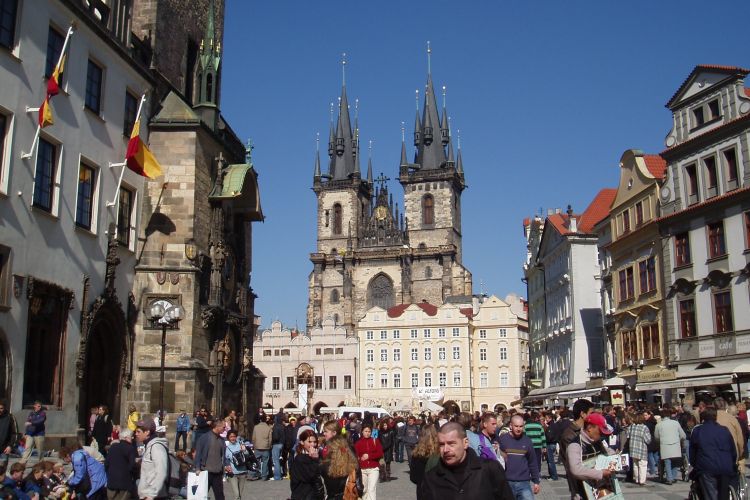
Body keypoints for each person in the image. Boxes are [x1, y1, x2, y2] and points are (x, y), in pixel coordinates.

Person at [418, 422, 514, 499]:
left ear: (465, 443)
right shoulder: (431, 478)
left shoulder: (489, 469)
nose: (446, 450)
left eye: (451, 444)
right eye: (442, 444)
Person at [690, 406, 737, 500]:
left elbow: (692, 453)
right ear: (715, 417)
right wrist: (732, 464)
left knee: (710, 495)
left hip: (706, 467)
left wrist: (695, 465)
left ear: (702, 418)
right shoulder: (724, 430)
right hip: (725, 466)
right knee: (724, 495)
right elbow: (733, 451)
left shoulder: (698, 431)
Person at [565, 413, 615, 500]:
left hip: (601, 492)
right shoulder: (575, 445)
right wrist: (600, 473)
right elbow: (575, 470)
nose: (601, 435)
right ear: (589, 428)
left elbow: (608, 452)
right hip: (582, 495)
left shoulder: (597, 442)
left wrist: (616, 458)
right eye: (600, 431)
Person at [498, 415, 540, 500]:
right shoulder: (503, 439)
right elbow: (498, 459)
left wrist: (536, 481)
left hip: (524, 482)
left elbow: (532, 462)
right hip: (507, 482)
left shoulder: (527, 441)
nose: (518, 429)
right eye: (516, 426)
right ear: (510, 426)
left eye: (521, 426)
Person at [559, 399, 594, 495]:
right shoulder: (569, 435)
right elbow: (573, 463)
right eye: (591, 413)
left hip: (591, 477)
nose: (593, 416)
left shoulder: (588, 430)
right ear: (583, 414)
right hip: (579, 482)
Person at [135, 417, 169, 500]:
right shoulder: (149, 446)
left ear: (147, 432)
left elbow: (161, 472)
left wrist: (151, 495)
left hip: (154, 496)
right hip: (147, 495)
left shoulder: (156, 447)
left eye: (138, 431)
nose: (136, 434)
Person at [195, 419, 228, 500]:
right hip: (206, 472)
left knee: (220, 496)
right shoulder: (205, 437)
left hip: (218, 472)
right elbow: (198, 453)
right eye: (223, 427)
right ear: (217, 426)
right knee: (202, 495)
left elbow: (224, 455)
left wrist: (226, 465)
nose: (225, 429)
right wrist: (197, 468)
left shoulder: (222, 440)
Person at [321, 435, 361, 500]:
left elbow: (318, 485)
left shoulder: (324, 465)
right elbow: (359, 487)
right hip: (348, 497)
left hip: (331, 497)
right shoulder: (353, 464)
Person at [290, 429, 324, 500]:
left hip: (314, 494)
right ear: (302, 442)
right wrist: (315, 460)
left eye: (315, 442)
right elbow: (310, 476)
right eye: (309, 442)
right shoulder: (300, 459)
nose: (313, 444)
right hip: (303, 495)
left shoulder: (316, 455)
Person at [654, 408, 686, 484]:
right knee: (674, 461)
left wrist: (660, 441)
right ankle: (674, 477)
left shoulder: (659, 425)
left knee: (667, 462)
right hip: (675, 445)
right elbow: (683, 435)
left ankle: (669, 478)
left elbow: (656, 437)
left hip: (665, 445)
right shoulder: (676, 423)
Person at [105, 427, 138, 500]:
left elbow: (106, 464)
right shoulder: (130, 448)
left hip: (112, 482)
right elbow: (132, 466)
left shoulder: (113, 447)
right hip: (125, 483)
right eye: (131, 436)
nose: (133, 438)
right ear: (126, 438)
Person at [408, 424, 440, 499]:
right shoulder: (439, 453)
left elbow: (413, 477)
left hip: (422, 491)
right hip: (437, 491)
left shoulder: (416, 454)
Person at [354, 424, 383, 500]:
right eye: (366, 431)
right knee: (364, 489)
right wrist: (359, 459)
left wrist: (369, 456)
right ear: (362, 432)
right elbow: (355, 456)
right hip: (362, 469)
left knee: (372, 489)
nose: (367, 433)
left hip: (374, 468)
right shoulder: (358, 443)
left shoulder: (375, 441)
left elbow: (380, 453)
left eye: (369, 431)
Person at [625, 412, 651, 485]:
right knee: (642, 464)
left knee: (635, 464)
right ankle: (642, 481)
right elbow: (647, 440)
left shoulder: (632, 426)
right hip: (641, 448)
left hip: (633, 448)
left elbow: (628, 436)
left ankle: (637, 479)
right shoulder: (644, 427)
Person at [20, 401, 45, 465]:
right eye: (38, 406)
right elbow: (28, 423)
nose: (39, 407)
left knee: (40, 451)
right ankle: (23, 462)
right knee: (27, 448)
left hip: (39, 434)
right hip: (30, 434)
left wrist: (31, 423)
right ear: (34, 406)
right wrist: (26, 433)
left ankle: (41, 463)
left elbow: (40, 421)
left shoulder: (42, 413)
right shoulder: (31, 413)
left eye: (40, 406)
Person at [224, 430, 247, 500]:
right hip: (233, 473)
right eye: (231, 437)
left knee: (240, 494)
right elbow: (225, 459)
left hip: (243, 472)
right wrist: (227, 467)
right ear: (228, 438)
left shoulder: (241, 444)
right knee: (236, 494)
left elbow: (247, 455)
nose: (233, 438)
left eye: (234, 436)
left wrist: (244, 450)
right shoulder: (227, 448)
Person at [252, 414, 272, 480]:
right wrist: (269, 446)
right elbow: (270, 439)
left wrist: (254, 445)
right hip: (266, 447)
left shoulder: (256, 427)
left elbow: (253, 438)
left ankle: (256, 474)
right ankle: (264, 476)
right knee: (265, 462)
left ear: (260, 420)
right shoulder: (268, 428)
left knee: (256, 461)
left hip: (257, 447)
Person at [0, 402, 18, 466]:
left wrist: (10, 446)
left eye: (1, 408)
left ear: (4, 408)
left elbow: (15, 433)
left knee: (2, 471)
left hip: (4, 449)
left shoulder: (10, 417)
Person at [542, 412, 559, 480]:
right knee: (550, 461)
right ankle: (552, 475)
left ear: (550, 418)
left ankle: (554, 476)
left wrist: (546, 439)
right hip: (553, 443)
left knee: (550, 461)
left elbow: (550, 436)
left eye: (546, 418)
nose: (545, 419)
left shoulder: (551, 426)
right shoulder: (553, 425)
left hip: (550, 444)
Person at [271, 413, 286, 481]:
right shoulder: (282, 426)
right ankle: (281, 473)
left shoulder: (276, 426)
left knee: (276, 460)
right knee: (279, 460)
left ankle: (277, 476)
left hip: (276, 444)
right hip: (282, 444)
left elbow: (275, 437)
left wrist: (272, 440)